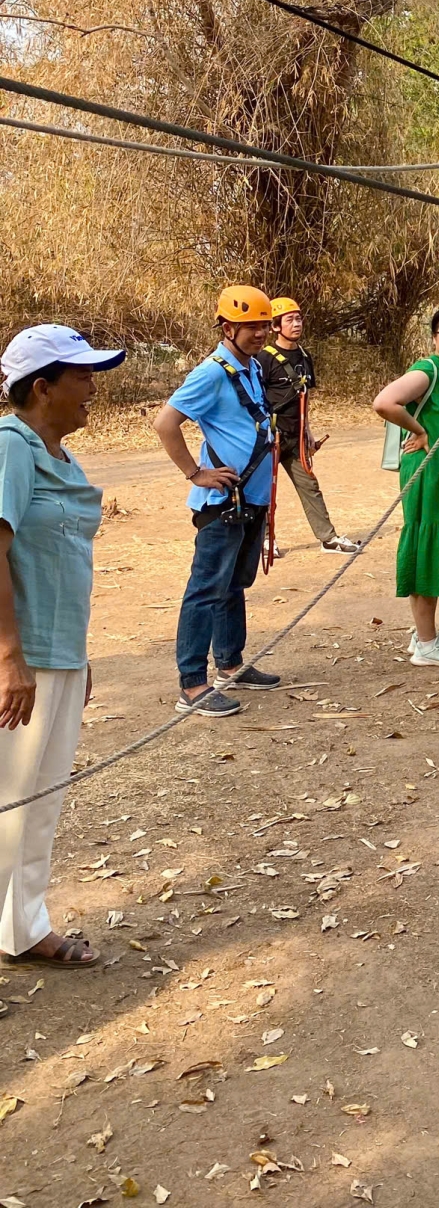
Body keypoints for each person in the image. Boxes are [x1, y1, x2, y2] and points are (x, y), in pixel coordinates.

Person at [0, 325, 125, 966]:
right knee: (8, 798)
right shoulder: (10, 448)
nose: (92, 388)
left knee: (38, 800)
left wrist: (78, 659)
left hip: (59, 655)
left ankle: (22, 929)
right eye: (81, 376)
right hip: (20, 664)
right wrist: (8, 658)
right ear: (42, 387)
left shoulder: (60, 457)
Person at [153, 286, 285, 718]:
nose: (261, 333)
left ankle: (229, 662)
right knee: (206, 589)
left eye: (265, 325)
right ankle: (192, 684)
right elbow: (166, 422)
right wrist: (196, 473)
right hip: (223, 501)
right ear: (228, 328)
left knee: (233, 584)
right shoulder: (212, 372)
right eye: (251, 327)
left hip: (251, 498)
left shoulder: (248, 368)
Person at [372, 306, 439, 668]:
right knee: (427, 547)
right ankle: (427, 644)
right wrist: (419, 431)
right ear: (434, 336)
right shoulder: (427, 371)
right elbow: (385, 402)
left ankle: (425, 633)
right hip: (430, 474)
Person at [256, 299, 359, 555]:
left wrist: (308, 433)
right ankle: (266, 540)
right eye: (289, 319)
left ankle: (328, 538)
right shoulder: (264, 358)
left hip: (296, 437)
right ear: (276, 326)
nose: (296, 324)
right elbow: (255, 397)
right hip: (271, 437)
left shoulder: (303, 356)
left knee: (310, 486)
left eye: (298, 318)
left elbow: (304, 396)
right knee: (267, 490)